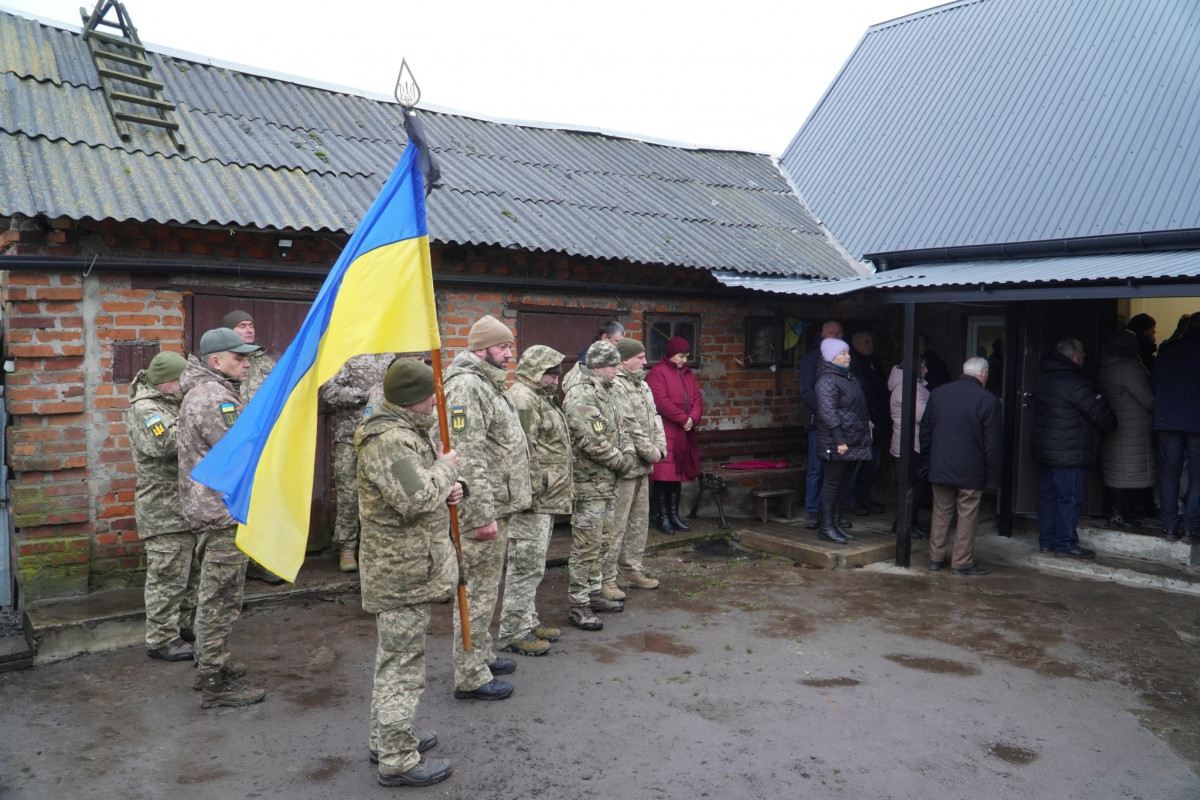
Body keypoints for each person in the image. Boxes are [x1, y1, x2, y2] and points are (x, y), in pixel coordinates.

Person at [356, 358, 463, 788]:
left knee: (396, 660)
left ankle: (387, 740)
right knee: (403, 667)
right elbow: (417, 498)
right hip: (401, 570)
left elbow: (421, 488)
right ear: (416, 398)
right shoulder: (390, 440)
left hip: (409, 565)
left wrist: (449, 485)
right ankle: (398, 759)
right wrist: (448, 468)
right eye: (432, 393)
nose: (437, 400)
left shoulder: (403, 432)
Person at [442, 314, 530, 701]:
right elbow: (468, 454)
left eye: (510, 346)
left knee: (486, 588)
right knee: (475, 593)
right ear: (480, 349)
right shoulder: (466, 387)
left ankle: (482, 654)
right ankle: (470, 675)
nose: (510, 354)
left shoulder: (488, 384)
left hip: (500, 502)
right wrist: (481, 515)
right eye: (502, 347)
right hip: (482, 509)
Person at [178, 327, 266, 708]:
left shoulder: (215, 391)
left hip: (214, 508)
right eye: (239, 358)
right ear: (216, 362)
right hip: (219, 511)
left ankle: (210, 664)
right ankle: (215, 682)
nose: (246, 364)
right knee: (220, 598)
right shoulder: (215, 398)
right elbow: (238, 449)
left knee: (214, 594)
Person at [497, 346, 572, 657]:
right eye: (550, 372)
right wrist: (528, 493)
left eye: (557, 372)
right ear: (534, 370)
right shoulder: (524, 399)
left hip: (544, 496)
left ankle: (526, 621)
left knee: (534, 566)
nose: (556, 378)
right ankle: (512, 633)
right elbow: (519, 450)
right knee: (524, 567)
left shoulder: (538, 396)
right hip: (532, 500)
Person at [127, 350, 198, 662]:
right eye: (183, 380)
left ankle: (183, 626)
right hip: (162, 507)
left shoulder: (174, 403)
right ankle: (160, 639)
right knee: (167, 575)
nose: (188, 384)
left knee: (189, 572)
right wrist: (196, 418)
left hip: (186, 504)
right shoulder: (146, 409)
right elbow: (163, 443)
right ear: (168, 382)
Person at [563, 340, 637, 631]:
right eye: (613, 366)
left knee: (602, 541)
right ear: (597, 367)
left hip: (607, 483)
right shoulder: (582, 394)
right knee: (586, 546)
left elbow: (623, 426)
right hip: (589, 483)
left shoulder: (608, 391)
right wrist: (621, 461)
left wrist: (628, 452)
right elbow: (590, 440)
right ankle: (578, 604)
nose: (618, 370)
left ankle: (594, 594)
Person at [1031, 338, 1117, 558]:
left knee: (1047, 498)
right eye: (1082, 352)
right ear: (1072, 357)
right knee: (1068, 499)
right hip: (1070, 453)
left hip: (1046, 451)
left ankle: (1047, 542)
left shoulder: (1044, 379)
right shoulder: (1078, 383)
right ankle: (1066, 544)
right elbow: (1103, 416)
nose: (1085, 356)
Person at [919, 357, 1002, 576]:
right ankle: (961, 563)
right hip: (971, 469)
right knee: (967, 515)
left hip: (940, 465)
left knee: (941, 512)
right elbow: (992, 443)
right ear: (983, 375)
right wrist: (993, 475)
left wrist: (928, 461)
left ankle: (935, 559)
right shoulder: (988, 399)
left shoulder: (938, 393)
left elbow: (925, 431)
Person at [221, 309, 285, 585]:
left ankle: (258, 561)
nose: (249, 329)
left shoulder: (265, 363)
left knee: (261, 502)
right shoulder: (220, 362)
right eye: (242, 326)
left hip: (262, 443)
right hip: (231, 445)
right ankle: (231, 564)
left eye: (251, 324)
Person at [319, 353, 396, 573]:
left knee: (382, 494)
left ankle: (374, 548)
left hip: (383, 437)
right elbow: (329, 391)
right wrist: (364, 395)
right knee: (349, 496)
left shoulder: (391, 355)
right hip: (350, 439)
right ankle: (347, 548)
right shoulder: (351, 355)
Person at [608, 338, 667, 594]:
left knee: (639, 522)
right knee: (617, 524)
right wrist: (648, 451)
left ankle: (631, 569)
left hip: (645, 465)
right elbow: (628, 423)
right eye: (640, 357)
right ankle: (607, 576)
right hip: (627, 465)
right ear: (624, 360)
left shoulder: (642, 385)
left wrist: (661, 447)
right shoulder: (617, 385)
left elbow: (655, 417)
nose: (645, 361)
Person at [813, 338, 872, 544]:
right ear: (831, 357)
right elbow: (829, 413)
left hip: (853, 439)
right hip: (837, 442)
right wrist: (840, 440)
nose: (848, 356)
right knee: (832, 483)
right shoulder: (827, 380)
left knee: (843, 484)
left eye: (848, 352)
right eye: (843, 353)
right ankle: (826, 527)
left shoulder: (849, 377)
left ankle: (836, 523)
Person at [1097, 330, 1156, 529]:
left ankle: (1116, 513)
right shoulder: (1129, 368)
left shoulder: (1106, 365)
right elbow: (1148, 400)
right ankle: (1121, 515)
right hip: (1133, 428)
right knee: (1128, 471)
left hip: (1115, 425)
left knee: (1117, 470)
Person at [646, 336, 702, 534]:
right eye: (681, 356)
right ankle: (663, 517)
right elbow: (660, 401)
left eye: (686, 356)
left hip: (682, 433)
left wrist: (692, 420)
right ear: (671, 354)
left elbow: (697, 399)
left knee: (676, 476)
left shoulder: (688, 374)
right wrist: (683, 419)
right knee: (663, 477)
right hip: (665, 431)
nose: (684, 360)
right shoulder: (657, 373)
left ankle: (674, 515)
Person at [1152, 313, 1200, 542]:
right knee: (1197, 477)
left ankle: (1169, 527)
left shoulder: (1168, 348)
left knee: (1169, 474)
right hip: (1197, 424)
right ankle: (1191, 528)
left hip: (1169, 420)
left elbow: (1155, 383)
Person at [798, 320, 847, 530]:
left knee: (837, 472)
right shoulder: (811, 360)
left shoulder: (845, 362)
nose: (834, 335)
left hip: (840, 424)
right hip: (818, 423)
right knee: (817, 470)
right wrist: (827, 411)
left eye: (838, 332)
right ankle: (812, 511)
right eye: (830, 332)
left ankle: (833, 514)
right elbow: (807, 391)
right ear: (822, 335)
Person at [845, 329, 890, 515]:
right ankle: (851, 499)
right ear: (855, 344)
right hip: (863, 421)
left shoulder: (874, 361)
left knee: (872, 463)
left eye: (871, 341)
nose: (870, 345)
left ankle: (864, 497)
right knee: (859, 463)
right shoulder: (854, 363)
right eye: (866, 342)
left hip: (878, 420)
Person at [887, 355, 930, 539]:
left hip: (909, 441)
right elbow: (922, 414)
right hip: (911, 443)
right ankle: (903, 524)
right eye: (923, 367)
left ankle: (910, 523)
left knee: (916, 485)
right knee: (914, 486)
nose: (926, 370)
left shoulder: (910, 385)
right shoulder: (908, 387)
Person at [222, 310, 275, 402]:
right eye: (242, 326)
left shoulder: (268, 363)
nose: (249, 330)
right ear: (228, 331)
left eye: (251, 326)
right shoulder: (221, 360)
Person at [562, 320, 625, 393]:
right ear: (604, 337)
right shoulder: (588, 356)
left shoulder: (612, 355)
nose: (619, 346)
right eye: (617, 341)